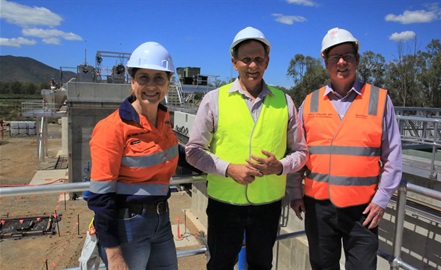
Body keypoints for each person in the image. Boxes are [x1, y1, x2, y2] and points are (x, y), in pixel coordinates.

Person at [186, 26, 308, 270]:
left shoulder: (285, 102)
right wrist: (229, 169)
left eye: (258, 59)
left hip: (268, 206)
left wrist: (280, 167)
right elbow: (193, 151)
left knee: (261, 265)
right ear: (234, 62)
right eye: (246, 59)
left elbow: (301, 152)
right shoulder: (214, 99)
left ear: (267, 62)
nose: (253, 66)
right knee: (220, 265)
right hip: (224, 206)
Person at [287, 27, 403, 270]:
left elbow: (393, 156)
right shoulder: (310, 101)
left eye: (348, 56)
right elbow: (299, 152)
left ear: (357, 60)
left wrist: (381, 201)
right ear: (325, 62)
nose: (341, 62)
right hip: (318, 208)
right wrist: (295, 192)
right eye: (334, 57)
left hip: (362, 211)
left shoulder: (379, 99)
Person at [87, 41, 182, 270]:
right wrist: (114, 253)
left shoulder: (164, 121)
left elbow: (174, 154)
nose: (151, 85)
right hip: (127, 226)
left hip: (162, 221)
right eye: (143, 78)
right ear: (132, 81)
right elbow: (100, 197)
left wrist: (221, 166)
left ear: (168, 83)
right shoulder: (112, 128)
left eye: (159, 77)